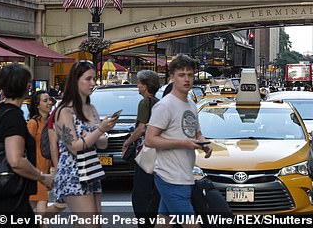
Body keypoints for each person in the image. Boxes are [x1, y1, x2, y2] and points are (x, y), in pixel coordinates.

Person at [145, 55, 212, 226]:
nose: (187, 79)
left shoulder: (191, 104)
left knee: (164, 223)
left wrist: (204, 144)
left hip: (185, 175)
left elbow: (196, 133)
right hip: (169, 177)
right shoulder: (165, 106)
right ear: (172, 77)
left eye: (190, 74)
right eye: (181, 75)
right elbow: (150, 140)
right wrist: (183, 143)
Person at [53, 60, 118, 221]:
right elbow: (74, 147)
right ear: (76, 81)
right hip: (72, 173)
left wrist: (97, 134)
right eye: (88, 79)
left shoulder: (92, 109)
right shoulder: (64, 111)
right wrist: (99, 131)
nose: (92, 83)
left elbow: (103, 144)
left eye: (94, 79)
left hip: (91, 170)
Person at [0, 64, 53, 225]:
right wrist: (41, 177)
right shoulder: (13, 117)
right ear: (26, 87)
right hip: (11, 198)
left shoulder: (0, 113)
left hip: (4, 196)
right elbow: (16, 160)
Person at [121, 70, 161, 227]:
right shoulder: (158, 102)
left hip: (146, 153)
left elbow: (141, 129)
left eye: (139, 83)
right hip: (156, 152)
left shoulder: (145, 103)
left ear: (145, 86)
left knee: (140, 193)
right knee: (151, 191)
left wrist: (127, 142)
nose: (137, 86)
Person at [26, 90, 53, 216]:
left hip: (46, 172)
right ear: (37, 105)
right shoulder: (33, 123)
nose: (50, 103)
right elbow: (25, 148)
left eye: (50, 100)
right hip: (35, 172)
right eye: (45, 100)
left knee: (30, 208)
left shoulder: (51, 123)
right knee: (42, 207)